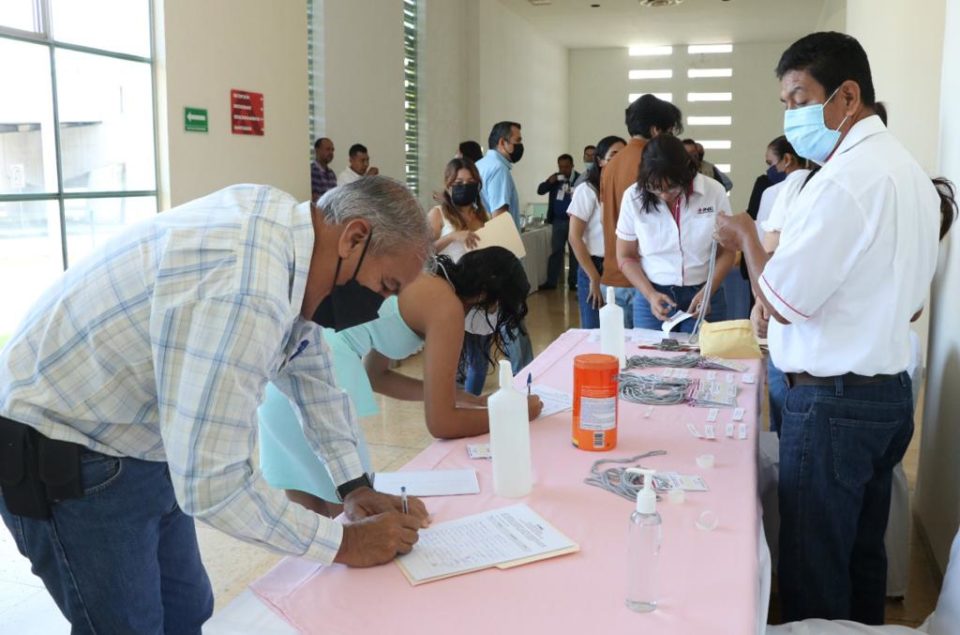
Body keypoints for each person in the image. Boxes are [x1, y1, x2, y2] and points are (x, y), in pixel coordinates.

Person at [0, 177, 433, 633]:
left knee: (187, 608)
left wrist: (354, 487)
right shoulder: (246, 286)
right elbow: (214, 484)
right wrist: (343, 544)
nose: (381, 303)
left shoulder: (291, 238)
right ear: (354, 236)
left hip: (140, 437)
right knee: (130, 626)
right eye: (386, 285)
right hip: (66, 443)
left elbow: (310, 371)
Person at [713, 32, 945, 624]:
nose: (789, 116)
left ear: (846, 96)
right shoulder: (912, 174)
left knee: (815, 561)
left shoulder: (845, 181)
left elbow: (784, 301)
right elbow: (911, 303)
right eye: (785, 103)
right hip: (888, 391)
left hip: (834, 400)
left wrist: (745, 237)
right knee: (863, 552)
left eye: (798, 99)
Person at [259, 247, 544, 514]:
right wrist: (514, 414)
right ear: (485, 296)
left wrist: (457, 395)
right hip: (320, 379)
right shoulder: (447, 308)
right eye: (499, 311)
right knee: (351, 520)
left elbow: (376, 375)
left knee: (315, 527)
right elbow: (442, 423)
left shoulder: (432, 282)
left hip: (284, 375)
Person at [616, 134, 734, 332]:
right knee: (650, 360)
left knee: (703, 359)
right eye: (654, 188)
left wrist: (707, 292)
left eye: (671, 187)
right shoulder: (633, 197)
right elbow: (625, 255)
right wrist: (650, 295)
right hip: (653, 293)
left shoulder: (714, 192)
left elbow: (727, 251)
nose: (663, 195)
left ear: (686, 171)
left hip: (704, 291)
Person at [600, 93, 683, 328]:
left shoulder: (612, 163)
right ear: (657, 131)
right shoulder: (650, 165)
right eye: (669, 133)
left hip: (612, 274)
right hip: (641, 281)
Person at [747, 136, 811, 435]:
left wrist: (761, 303)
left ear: (787, 160)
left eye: (771, 163)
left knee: (785, 429)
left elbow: (766, 250)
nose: (769, 170)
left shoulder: (788, 187)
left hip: (789, 318)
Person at [426, 157, 493, 395]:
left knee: (478, 358)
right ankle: (449, 406)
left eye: (471, 181)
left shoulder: (483, 216)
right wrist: (454, 236)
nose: (465, 186)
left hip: (480, 294)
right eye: (459, 182)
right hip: (449, 295)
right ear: (448, 184)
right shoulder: (438, 214)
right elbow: (422, 252)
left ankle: (469, 403)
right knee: (451, 358)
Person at [477, 121, 533, 375]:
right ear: (502, 143)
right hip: (501, 256)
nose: (520, 146)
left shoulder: (481, 165)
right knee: (512, 320)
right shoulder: (498, 169)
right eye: (517, 141)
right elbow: (500, 216)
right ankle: (525, 377)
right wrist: (510, 267)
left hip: (484, 254)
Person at [567, 135, 626, 328]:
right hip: (594, 266)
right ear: (600, 161)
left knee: (622, 329)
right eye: (613, 156)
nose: (619, 161)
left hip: (621, 266)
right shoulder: (587, 190)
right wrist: (593, 276)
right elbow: (574, 237)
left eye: (623, 155)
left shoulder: (628, 191)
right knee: (594, 330)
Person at [538, 154, 580, 291]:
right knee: (556, 251)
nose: (563, 170)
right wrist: (550, 182)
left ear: (572, 166)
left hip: (575, 221)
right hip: (558, 221)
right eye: (560, 167)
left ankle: (573, 282)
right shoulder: (555, 179)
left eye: (566, 167)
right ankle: (551, 282)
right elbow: (540, 190)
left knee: (575, 253)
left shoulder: (579, 179)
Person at [311, 137, 337, 203]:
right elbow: (313, 199)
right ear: (317, 150)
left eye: (332, 150)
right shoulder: (311, 171)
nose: (331, 153)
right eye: (328, 149)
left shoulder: (332, 174)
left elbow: (336, 197)